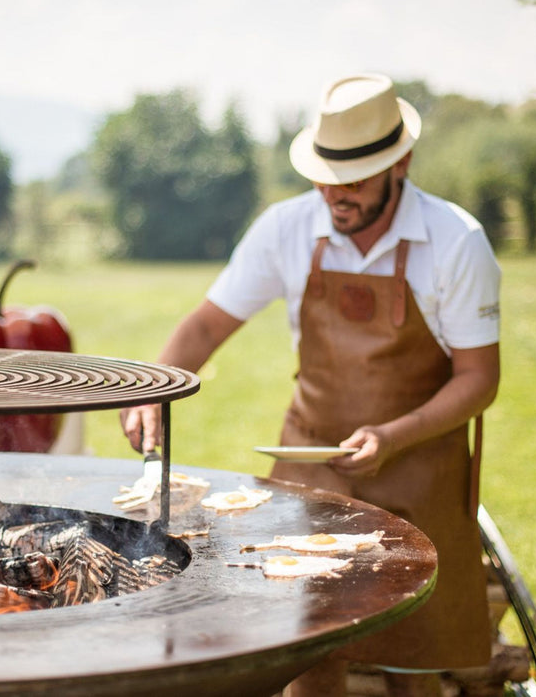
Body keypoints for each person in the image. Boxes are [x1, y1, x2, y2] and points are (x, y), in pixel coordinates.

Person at [120, 73, 501, 697]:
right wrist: (153, 389)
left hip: (421, 468)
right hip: (310, 470)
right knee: (303, 648)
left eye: (354, 179)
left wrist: (394, 435)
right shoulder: (286, 227)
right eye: (325, 175)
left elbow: (479, 379)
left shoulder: (457, 242)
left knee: (412, 659)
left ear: (400, 164)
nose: (334, 194)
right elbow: (208, 324)